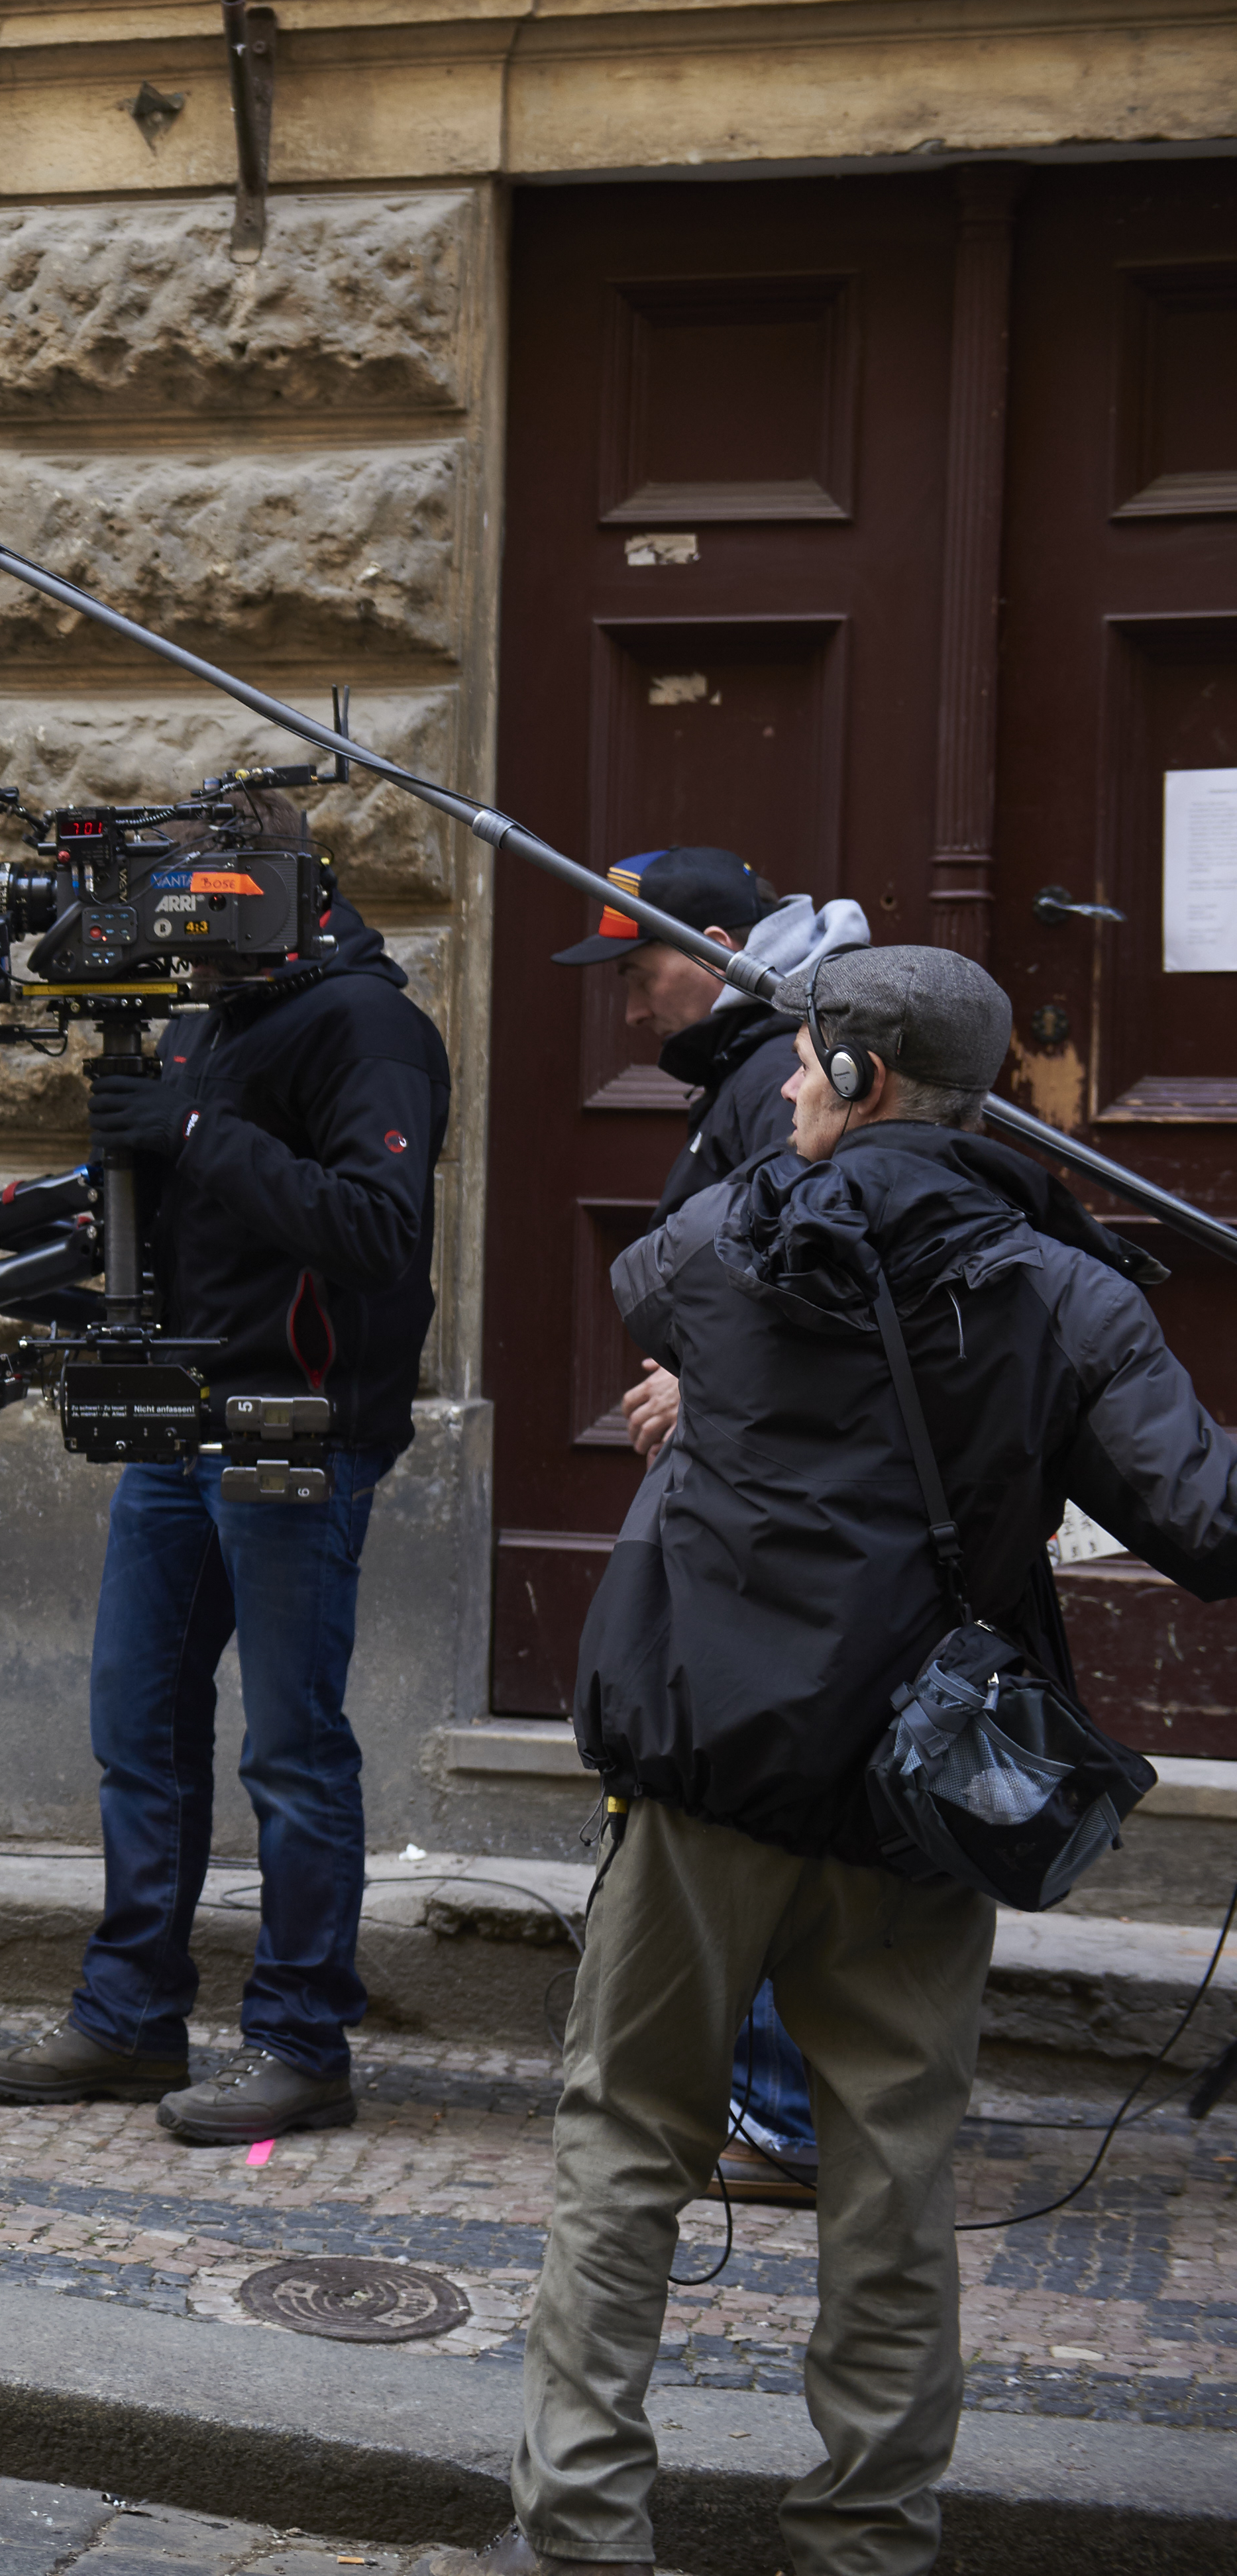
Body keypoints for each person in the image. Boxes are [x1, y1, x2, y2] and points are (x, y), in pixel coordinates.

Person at [492, 947, 1237, 2576]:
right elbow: (1206, 1522)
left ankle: (578, 2535)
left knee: (623, 2142)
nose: (786, 1085)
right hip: (922, 1779)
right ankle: (865, 2542)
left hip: (710, 1765)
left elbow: (660, 1292)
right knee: (889, 2175)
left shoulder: (721, 1241)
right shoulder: (1065, 1292)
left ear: (866, 1080)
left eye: (811, 1063)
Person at [0, 876, 453, 2145]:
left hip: (297, 1421)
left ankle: (301, 2044)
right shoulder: (203, 1016)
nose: (159, 940)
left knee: (288, 1750)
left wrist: (190, 1129)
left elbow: (374, 1227)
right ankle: (130, 2017)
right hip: (181, 1416)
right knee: (139, 1727)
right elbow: (206, 1204)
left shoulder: (366, 1027)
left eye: (181, 915)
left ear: (265, 904)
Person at [553, 846, 871, 2208]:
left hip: (755, 1502)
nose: (629, 1008)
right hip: (750, 1481)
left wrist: (705, 1373)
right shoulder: (756, 1066)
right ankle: (772, 2098)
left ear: (722, 943)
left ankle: (774, 2108)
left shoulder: (771, 1070)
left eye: (641, 970)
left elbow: (810, 1263)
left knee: (723, 1764)